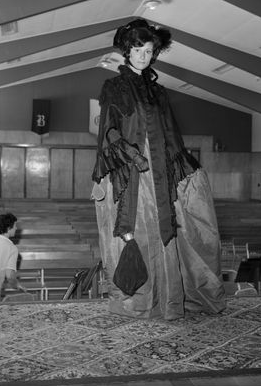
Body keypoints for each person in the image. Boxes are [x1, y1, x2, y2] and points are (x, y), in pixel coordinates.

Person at [91, 18, 226, 320]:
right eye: (138, 48)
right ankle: (139, 302)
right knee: (139, 232)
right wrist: (131, 155)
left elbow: (171, 135)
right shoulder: (114, 87)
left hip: (161, 171)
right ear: (127, 50)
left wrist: (187, 169)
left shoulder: (159, 92)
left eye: (149, 50)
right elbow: (110, 130)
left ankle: (169, 302)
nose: (143, 55)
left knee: (170, 233)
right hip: (131, 173)